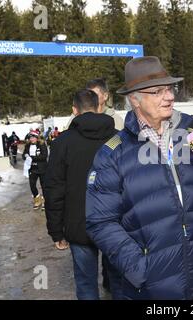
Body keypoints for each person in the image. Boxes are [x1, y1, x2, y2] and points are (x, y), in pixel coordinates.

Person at [85, 56, 193, 300]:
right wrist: (139, 269)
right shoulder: (112, 154)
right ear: (135, 99)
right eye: (157, 91)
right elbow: (100, 222)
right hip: (148, 290)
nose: (170, 96)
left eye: (170, 88)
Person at [44, 89, 118, 300]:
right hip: (115, 222)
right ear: (99, 107)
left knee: (86, 284)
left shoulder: (62, 142)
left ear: (74, 110)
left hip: (79, 224)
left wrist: (56, 231)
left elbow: (54, 189)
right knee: (119, 279)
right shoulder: (117, 139)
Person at [23, 130, 48, 210]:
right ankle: (37, 200)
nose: (32, 139)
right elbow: (24, 155)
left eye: (33, 137)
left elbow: (44, 156)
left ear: (37, 138)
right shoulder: (27, 145)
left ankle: (45, 201)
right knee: (32, 185)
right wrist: (26, 156)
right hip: (32, 169)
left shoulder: (42, 144)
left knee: (44, 186)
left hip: (42, 168)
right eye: (30, 137)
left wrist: (32, 158)